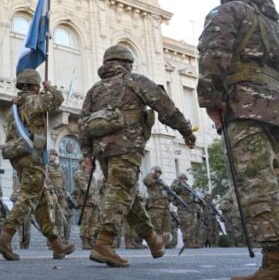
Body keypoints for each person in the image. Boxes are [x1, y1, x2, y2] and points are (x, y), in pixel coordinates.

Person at [197, 0, 279, 280]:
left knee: (257, 184)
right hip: (276, 107)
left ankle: (275, 267)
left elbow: (212, 57)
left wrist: (212, 102)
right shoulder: (274, 25)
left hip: (244, 103)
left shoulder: (229, 12)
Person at [80, 44, 195, 267]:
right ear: (127, 63)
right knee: (121, 191)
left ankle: (153, 241)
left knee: (126, 194)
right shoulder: (134, 81)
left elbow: (83, 123)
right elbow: (165, 105)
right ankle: (104, 242)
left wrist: (87, 153)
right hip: (127, 146)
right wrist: (186, 130)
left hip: (102, 151)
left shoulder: (95, 90)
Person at [0, 69, 74, 261]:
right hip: (32, 156)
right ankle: (5, 237)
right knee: (28, 197)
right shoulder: (32, 101)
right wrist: (50, 87)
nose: (39, 89)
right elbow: (57, 99)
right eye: (37, 86)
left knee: (42, 201)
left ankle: (56, 244)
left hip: (19, 157)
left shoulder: (14, 107)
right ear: (33, 86)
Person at [46, 149, 72, 244]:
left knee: (60, 217)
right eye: (52, 154)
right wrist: (52, 192)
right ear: (49, 156)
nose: (54, 156)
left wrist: (64, 193)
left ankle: (60, 238)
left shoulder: (60, 168)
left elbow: (64, 181)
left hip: (61, 196)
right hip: (51, 196)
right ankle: (51, 240)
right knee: (51, 218)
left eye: (55, 154)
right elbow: (47, 180)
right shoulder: (47, 167)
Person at [73, 162, 101, 249]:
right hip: (85, 202)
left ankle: (90, 240)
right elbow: (84, 187)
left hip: (94, 203)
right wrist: (92, 195)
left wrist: (96, 198)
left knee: (93, 222)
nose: (91, 166)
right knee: (85, 222)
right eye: (89, 164)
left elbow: (96, 188)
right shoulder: (79, 173)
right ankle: (85, 241)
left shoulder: (91, 175)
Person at [143, 167, 170, 246]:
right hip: (155, 208)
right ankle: (156, 245)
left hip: (165, 208)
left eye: (160, 172)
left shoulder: (162, 183)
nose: (158, 174)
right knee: (156, 229)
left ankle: (162, 244)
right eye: (157, 172)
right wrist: (151, 173)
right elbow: (146, 181)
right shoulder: (151, 182)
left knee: (166, 230)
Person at [171, 174, 199, 248]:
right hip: (183, 209)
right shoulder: (177, 186)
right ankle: (187, 242)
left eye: (185, 179)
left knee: (193, 226)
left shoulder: (188, 187)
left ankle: (192, 241)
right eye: (182, 179)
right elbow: (173, 188)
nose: (184, 180)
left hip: (192, 209)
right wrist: (177, 182)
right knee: (186, 225)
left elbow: (194, 197)